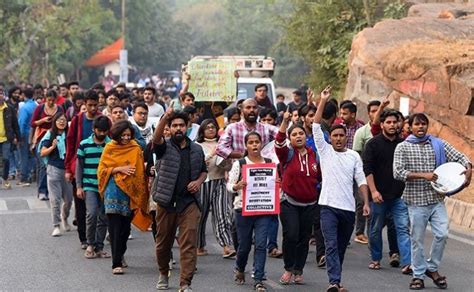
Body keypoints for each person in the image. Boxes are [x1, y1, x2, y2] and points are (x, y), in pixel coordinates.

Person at [393, 113, 472, 290]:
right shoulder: (403, 147)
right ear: (410, 127)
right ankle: (418, 276)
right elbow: (397, 173)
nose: (420, 127)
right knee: (417, 239)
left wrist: (468, 169)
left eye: (424, 124)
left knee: (442, 234)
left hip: (437, 199)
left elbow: (461, 157)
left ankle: (431, 267)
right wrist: (423, 175)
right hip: (416, 201)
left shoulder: (437, 143)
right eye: (417, 124)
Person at [313, 87, 370, 292]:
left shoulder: (353, 156)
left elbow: (361, 179)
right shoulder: (325, 150)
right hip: (328, 206)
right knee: (330, 245)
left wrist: (365, 202)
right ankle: (334, 282)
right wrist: (322, 100)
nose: (337, 138)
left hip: (347, 209)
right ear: (331, 137)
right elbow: (316, 125)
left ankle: (336, 278)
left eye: (341, 135)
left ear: (346, 137)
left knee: (339, 247)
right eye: (335, 135)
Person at [216, 98, 283, 258]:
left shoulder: (266, 129)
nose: (251, 110)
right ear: (242, 110)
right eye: (248, 108)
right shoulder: (233, 128)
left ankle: (266, 246)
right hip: (238, 177)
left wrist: (286, 121)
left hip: (263, 178)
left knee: (264, 214)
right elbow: (220, 148)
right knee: (235, 217)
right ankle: (241, 251)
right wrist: (242, 155)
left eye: (254, 107)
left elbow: (282, 137)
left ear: (258, 110)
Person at [152, 109, 207, 292]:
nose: (178, 129)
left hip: (188, 203)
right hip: (166, 202)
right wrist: (165, 118)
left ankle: (185, 283)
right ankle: (163, 272)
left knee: (189, 243)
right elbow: (156, 139)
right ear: (169, 128)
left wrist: (198, 182)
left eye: (181, 125)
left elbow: (204, 171)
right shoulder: (164, 146)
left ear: (187, 127)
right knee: (163, 243)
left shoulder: (197, 149)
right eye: (174, 125)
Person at [97, 120, 150, 275]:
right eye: (123, 135)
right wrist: (119, 169)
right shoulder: (110, 148)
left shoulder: (135, 147)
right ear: (117, 135)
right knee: (114, 227)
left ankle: (120, 253)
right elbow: (101, 171)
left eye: (129, 135)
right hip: (113, 191)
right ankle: (116, 263)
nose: (126, 138)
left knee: (125, 229)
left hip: (130, 192)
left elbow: (139, 170)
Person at [363, 109, 411, 273]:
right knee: (375, 230)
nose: (392, 125)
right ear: (382, 124)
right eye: (388, 122)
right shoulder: (373, 144)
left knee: (403, 228)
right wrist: (374, 191)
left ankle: (407, 263)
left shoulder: (404, 144)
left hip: (400, 196)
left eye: (394, 122)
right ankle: (376, 259)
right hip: (379, 197)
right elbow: (367, 169)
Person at [275, 111, 320, 285]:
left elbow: (320, 177)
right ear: (290, 138)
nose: (298, 136)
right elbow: (279, 142)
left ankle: (298, 270)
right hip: (289, 202)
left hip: (310, 203)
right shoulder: (287, 154)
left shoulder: (314, 155)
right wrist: (285, 121)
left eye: (301, 133)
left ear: (305, 136)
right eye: (294, 134)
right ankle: (288, 268)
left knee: (303, 238)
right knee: (291, 234)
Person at [227, 132, 272, 292]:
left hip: (263, 209)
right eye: (251, 142)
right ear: (246, 145)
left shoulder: (269, 163)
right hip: (243, 210)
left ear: (261, 144)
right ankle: (240, 267)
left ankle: (258, 278)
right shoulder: (240, 163)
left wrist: (277, 184)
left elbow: (274, 186)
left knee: (260, 245)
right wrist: (236, 186)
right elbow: (229, 185)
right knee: (244, 245)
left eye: (257, 142)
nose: (254, 145)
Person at [65, 90, 101, 249]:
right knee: (80, 203)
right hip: (79, 165)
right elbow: (70, 144)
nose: (93, 108)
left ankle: (97, 237)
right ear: (84, 104)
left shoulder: (103, 120)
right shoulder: (77, 120)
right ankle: (84, 237)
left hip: (100, 168)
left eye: (95, 105)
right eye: (90, 105)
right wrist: (68, 168)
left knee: (99, 207)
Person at [195, 119, 235, 258]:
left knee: (222, 213)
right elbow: (197, 163)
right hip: (204, 183)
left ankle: (226, 246)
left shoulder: (223, 145)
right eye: (208, 127)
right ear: (202, 130)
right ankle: (199, 245)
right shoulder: (197, 145)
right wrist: (211, 154)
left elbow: (229, 167)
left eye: (213, 127)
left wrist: (225, 160)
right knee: (201, 215)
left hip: (220, 182)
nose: (211, 129)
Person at [76, 116, 112, 259]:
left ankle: (99, 246)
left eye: (105, 131)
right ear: (94, 129)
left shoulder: (110, 145)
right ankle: (90, 243)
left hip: (106, 186)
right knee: (91, 214)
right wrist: (79, 186)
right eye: (99, 130)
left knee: (104, 217)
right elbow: (79, 167)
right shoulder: (84, 144)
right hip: (89, 185)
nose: (102, 134)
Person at [39, 113, 72, 236]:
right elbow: (42, 153)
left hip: (68, 170)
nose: (62, 122)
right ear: (54, 121)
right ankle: (56, 225)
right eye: (59, 120)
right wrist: (52, 147)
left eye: (64, 120)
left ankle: (65, 217)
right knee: (55, 199)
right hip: (54, 169)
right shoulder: (50, 134)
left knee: (68, 200)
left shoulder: (70, 134)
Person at [31, 89, 64, 200]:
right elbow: (33, 123)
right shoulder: (40, 108)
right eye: (49, 100)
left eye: (53, 100)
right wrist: (43, 120)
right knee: (42, 165)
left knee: (52, 164)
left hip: (55, 137)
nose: (51, 102)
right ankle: (42, 191)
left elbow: (62, 120)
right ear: (45, 99)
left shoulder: (59, 108)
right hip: (41, 137)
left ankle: (52, 190)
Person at [0, 90, 20, 189]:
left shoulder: (9, 108)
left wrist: (17, 137)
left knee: (6, 159)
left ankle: (5, 178)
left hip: (6, 138)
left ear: (4, 96)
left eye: (1, 94)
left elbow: (15, 124)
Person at [17, 88, 36, 186]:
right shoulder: (37, 106)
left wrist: (19, 137)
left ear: (24, 95)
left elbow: (21, 123)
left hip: (25, 134)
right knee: (32, 155)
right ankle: (30, 174)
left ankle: (24, 177)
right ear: (33, 95)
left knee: (23, 156)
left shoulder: (24, 108)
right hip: (34, 134)